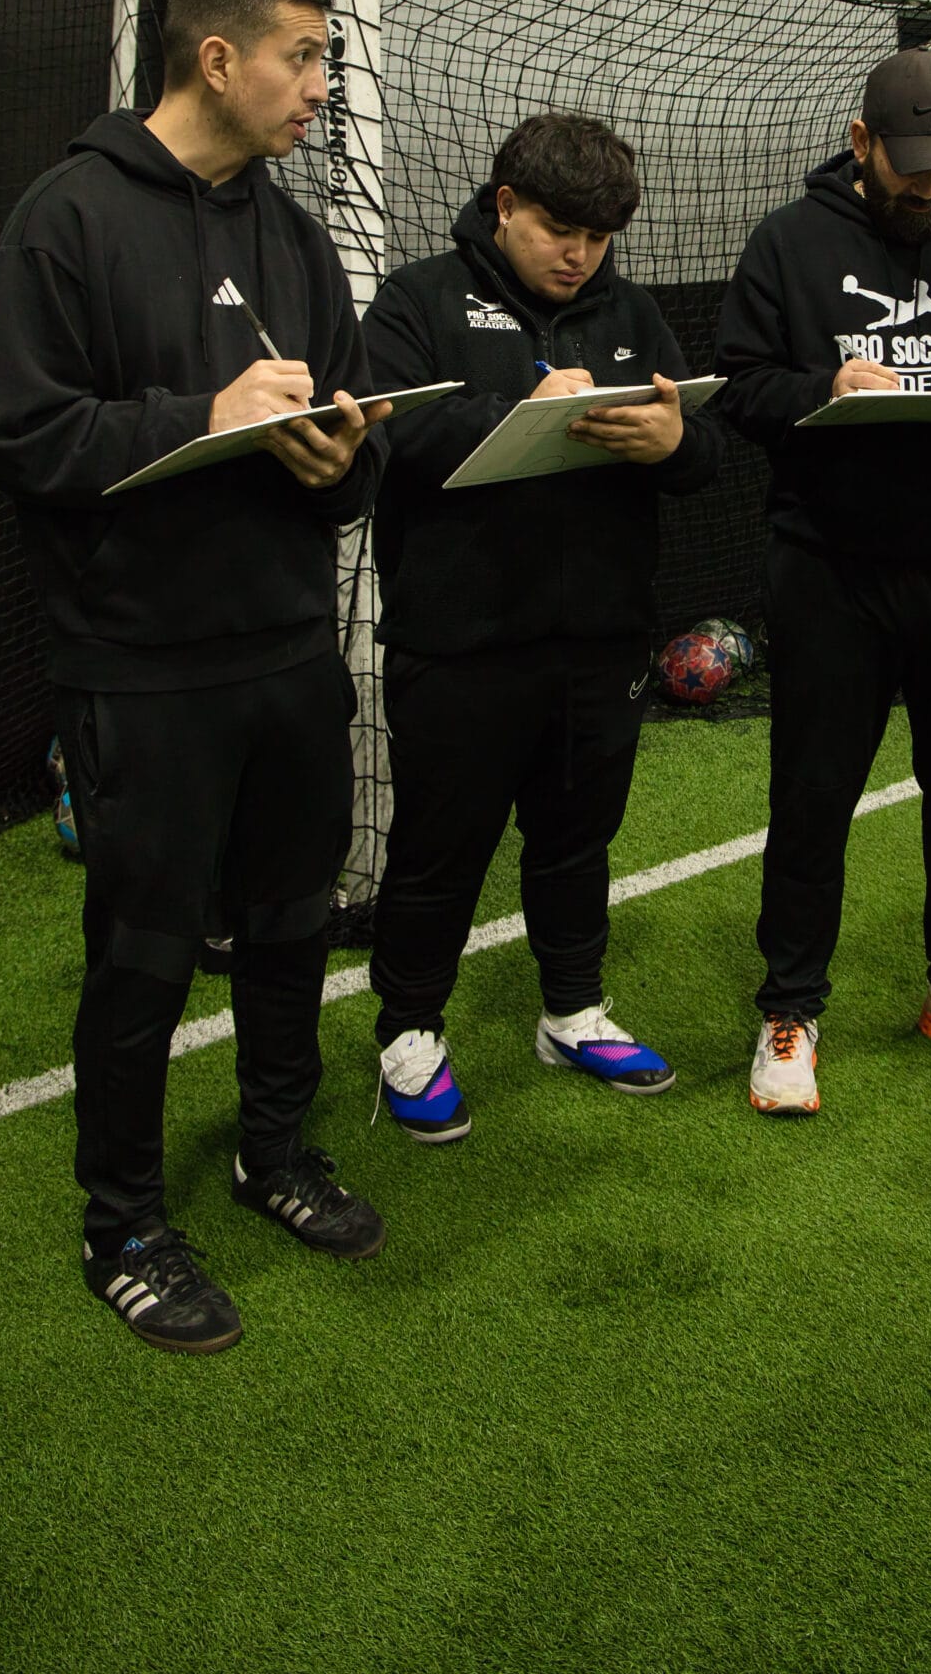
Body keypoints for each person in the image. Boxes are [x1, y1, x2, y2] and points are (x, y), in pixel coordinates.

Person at [0, 0, 392, 1356]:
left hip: (285, 652)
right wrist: (196, 420)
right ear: (215, 58)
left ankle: (272, 1152)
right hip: (140, 668)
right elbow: (20, 440)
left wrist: (342, 455)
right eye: (303, 55)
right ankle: (126, 1226)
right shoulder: (66, 220)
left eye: (323, 59)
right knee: (145, 956)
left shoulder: (293, 234)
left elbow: (345, 436)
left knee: (292, 925)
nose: (320, 87)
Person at [713, 49, 931, 1116]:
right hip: (832, 570)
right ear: (861, 142)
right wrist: (825, 383)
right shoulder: (789, 241)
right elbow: (740, 384)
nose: (929, 191)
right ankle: (791, 1008)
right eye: (909, 171)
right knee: (814, 794)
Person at [359, 111, 722, 1140]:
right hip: (459, 645)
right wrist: (525, 400)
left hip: (601, 641)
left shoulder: (630, 309)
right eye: (561, 228)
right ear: (505, 203)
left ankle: (572, 1011)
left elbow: (705, 456)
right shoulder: (418, 299)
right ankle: (409, 1031)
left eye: (600, 235)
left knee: (576, 841)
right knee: (440, 849)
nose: (579, 254)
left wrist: (671, 438)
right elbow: (390, 432)